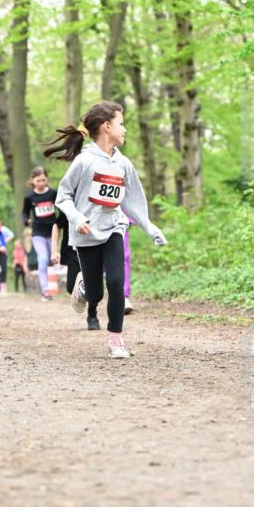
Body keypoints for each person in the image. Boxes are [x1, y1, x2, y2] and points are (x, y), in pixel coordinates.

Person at [46, 101, 166, 359]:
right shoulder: (84, 161)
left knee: (115, 281)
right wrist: (77, 219)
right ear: (107, 126)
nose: (125, 130)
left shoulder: (124, 164)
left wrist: (149, 226)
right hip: (86, 234)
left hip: (114, 228)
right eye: (122, 124)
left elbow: (132, 202)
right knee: (96, 294)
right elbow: (63, 197)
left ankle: (116, 341)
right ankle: (84, 289)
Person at [22, 166, 58, 302]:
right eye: (38, 181)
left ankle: (57, 287)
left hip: (53, 232)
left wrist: (62, 222)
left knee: (52, 260)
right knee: (42, 259)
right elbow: (24, 212)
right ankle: (45, 291)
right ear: (33, 180)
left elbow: (62, 207)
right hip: (38, 233)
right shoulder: (29, 197)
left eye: (44, 180)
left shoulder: (53, 194)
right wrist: (26, 220)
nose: (41, 183)